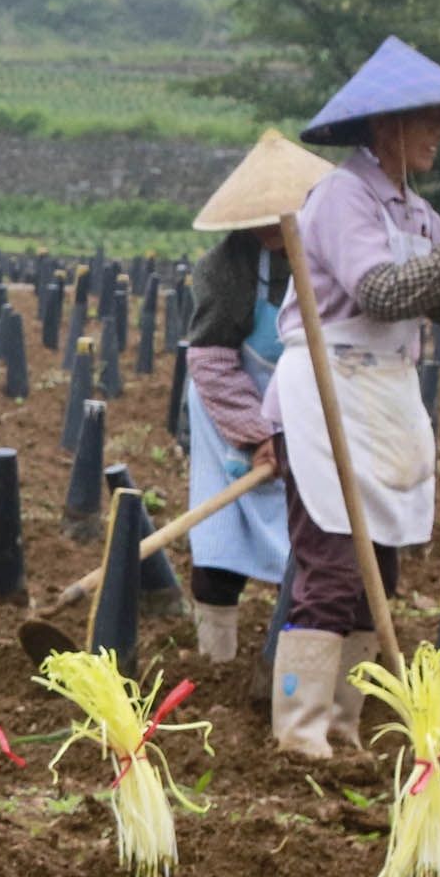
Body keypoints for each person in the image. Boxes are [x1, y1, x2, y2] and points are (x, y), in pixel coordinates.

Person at [268, 38, 440, 759]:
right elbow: (379, 291)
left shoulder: (414, 211)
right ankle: (298, 728)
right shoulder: (341, 197)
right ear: (386, 128)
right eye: (429, 121)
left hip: (384, 394)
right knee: (330, 562)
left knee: (378, 568)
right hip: (327, 388)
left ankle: (343, 726)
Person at [180, 131, 332, 683]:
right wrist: (255, 432)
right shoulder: (227, 269)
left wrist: (297, 430)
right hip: (232, 409)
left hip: (313, 410)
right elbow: (212, 360)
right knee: (221, 536)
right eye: (262, 216)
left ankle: (296, 666)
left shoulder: (332, 259)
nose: (275, 225)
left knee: (316, 542)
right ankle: (214, 666)